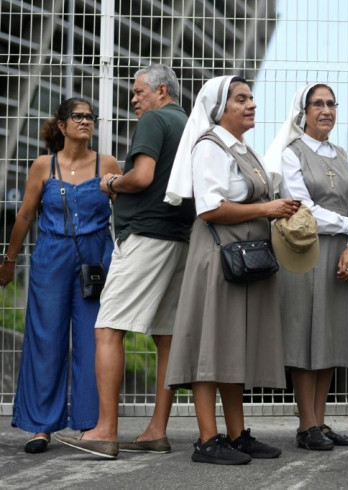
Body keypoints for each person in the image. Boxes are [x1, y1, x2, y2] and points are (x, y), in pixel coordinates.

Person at [56, 64, 196, 459]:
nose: (133, 100)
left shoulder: (155, 119)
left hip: (146, 235)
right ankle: (155, 430)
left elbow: (143, 176)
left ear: (161, 91)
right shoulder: (189, 123)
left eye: (138, 92)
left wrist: (111, 183)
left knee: (108, 328)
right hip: (180, 237)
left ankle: (104, 431)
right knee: (165, 336)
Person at [164, 76, 297, 465]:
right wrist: (267, 209)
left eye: (251, 97)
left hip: (241, 255)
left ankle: (237, 434)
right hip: (219, 255)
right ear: (219, 109)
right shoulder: (210, 147)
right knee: (211, 345)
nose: (251, 104)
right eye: (241, 99)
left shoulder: (240, 147)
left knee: (231, 344)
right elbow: (209, 207)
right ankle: (207, 440)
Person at [1, 98, 119, 454]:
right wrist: (8, 260)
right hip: (51, 257)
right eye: (78, 116)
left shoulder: (107, 163)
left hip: (95, 260)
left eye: (89, 117)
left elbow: (125, 211)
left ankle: (90, 425)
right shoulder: (42, 166)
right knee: (45, 338)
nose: (85, 121)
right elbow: (23, 217)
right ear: (62, 124)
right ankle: (40, 426)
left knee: (92, 340)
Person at [264, 83, 348, 451]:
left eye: (331, 104)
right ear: (303, 111)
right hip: (304, 252)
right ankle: (305, 423)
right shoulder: (291, 153)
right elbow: (302, 206)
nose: (326, 110)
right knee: (304, 335)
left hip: (341, 251)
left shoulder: (342, 154)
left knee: (328, 336)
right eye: (318, 104)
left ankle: (321, 422)